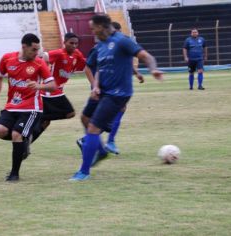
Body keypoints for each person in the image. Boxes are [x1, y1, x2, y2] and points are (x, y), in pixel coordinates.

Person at [70, 14, 163, 181]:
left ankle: (84, 172)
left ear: (101, 26)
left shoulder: (122, 41)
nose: (92, 32)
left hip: (117, 94)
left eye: (93, 29)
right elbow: (100, 68)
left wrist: (153, 69)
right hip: (102, 91)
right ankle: (102, 150)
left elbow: (146, 56)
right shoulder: (100, 46)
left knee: (93, 128)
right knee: (84, 118)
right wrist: (96, 85)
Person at [0, 33, 56, 182]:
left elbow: (52, 85)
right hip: (12, 106)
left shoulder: (39, 63)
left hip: (32, 108)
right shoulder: (7, 59)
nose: (37, 53)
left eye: (38, 50)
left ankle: (14, 174)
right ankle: (24, 142)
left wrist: (39, 85)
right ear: (24, 47)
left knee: (16, 134)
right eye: (34, 49)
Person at [78, 21, 144, 156]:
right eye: (117, 33)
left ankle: (105, 142)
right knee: (100, 119)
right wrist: (93, 86)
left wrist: (136, 73)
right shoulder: (99, 47)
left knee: (116, 111)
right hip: (102, 89)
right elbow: (87, 68)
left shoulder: (118, 45)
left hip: (114, 88)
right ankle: (92, 141)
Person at [30, 32, 86, 143]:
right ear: (64, 42)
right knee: (70, 113)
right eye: (71, 43)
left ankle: (26, 143)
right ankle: (39, 116)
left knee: (46, 122)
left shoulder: (77, 54)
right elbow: (44, 56)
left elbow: (85, 63)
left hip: (58, 90)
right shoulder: (59, 53)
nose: (74, 46)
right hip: (49, 91)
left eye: (76, 43)